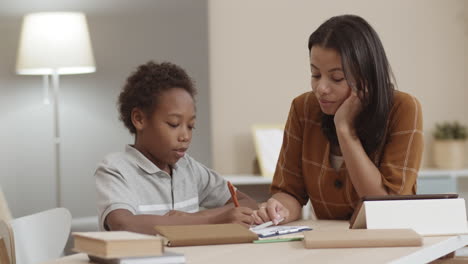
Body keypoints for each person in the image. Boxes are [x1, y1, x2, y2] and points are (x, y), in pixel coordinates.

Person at [254, 14, 423, 225]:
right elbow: (290, 192)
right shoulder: (303, 108)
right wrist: (278, 209)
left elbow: (385, 204)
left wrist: (345, 129)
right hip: (328, 246)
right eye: (315, 75)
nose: (321, 89)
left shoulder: (403, 109)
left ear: (367, 77)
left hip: (389, 242)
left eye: (337, 78)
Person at [95, 61, 257, 234]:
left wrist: (194, 218)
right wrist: (211, 220)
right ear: (139, 119)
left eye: (190, 126)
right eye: (174, 124)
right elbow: (124, 224)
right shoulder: (116, 169)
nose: (185, 136)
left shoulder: (189, 169)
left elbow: (248, 204)